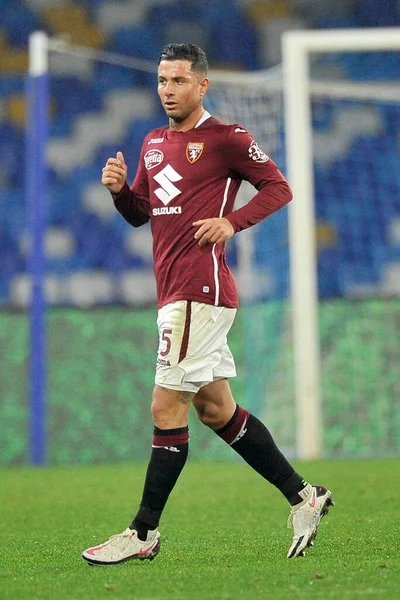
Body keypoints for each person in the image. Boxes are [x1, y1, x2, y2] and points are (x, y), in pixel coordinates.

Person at [82, 43, 334, 566]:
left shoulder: (226, 139)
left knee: (164, 405)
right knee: (216, 409)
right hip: (175, 291)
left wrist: (231, 222)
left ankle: (142, 532)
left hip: (200, 290)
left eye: (177, 80)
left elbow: (277, 187)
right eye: (161, 80)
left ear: (202, 85)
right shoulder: (153, 142)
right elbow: (142, 214)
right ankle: (304, 496)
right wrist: (118, 193)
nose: (167, 90)